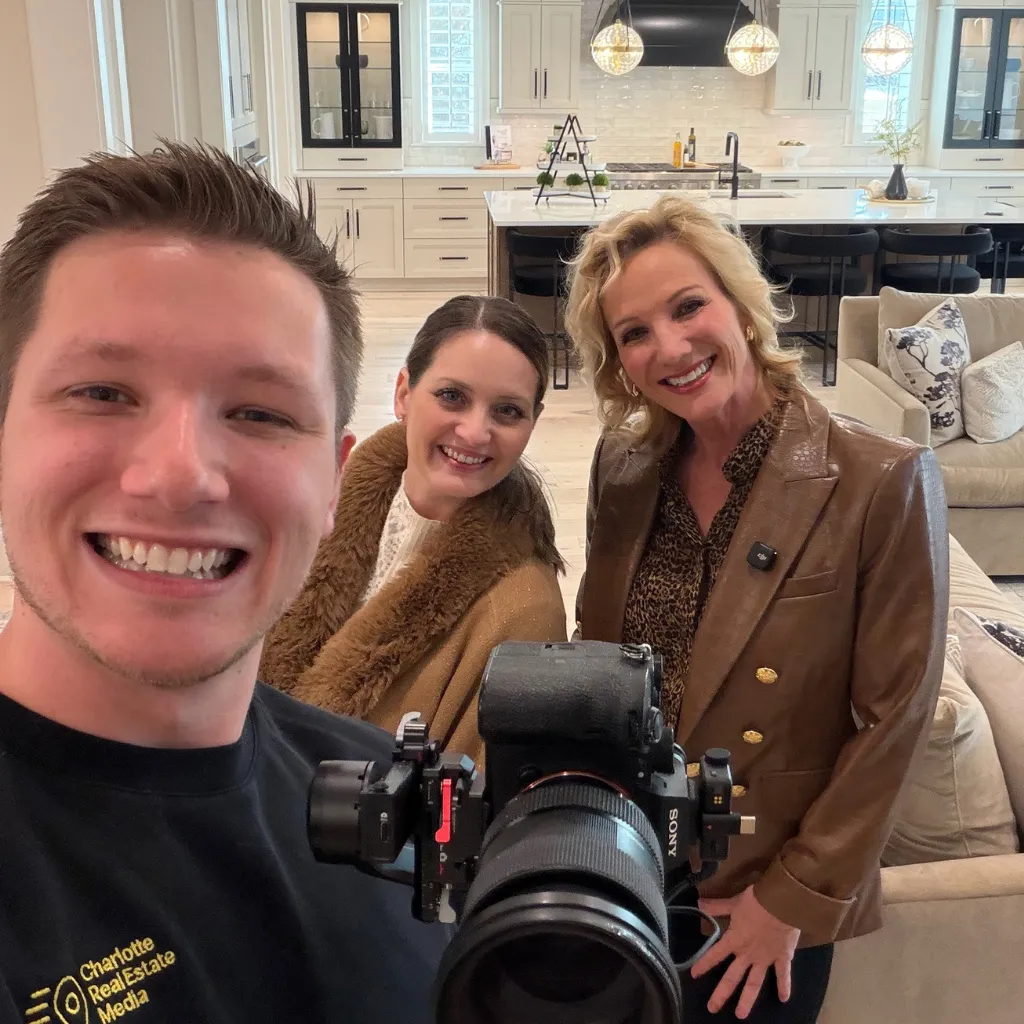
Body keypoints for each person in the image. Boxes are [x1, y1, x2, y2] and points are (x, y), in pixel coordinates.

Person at [0, 142, 450, 1023]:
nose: (180, 476)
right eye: (102, 392)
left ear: (334, 482)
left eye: (259, 412)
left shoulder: (379, 788)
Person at [565, 195, 948, 1024]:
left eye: (688, 306)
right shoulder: (622, 468)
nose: (671, 347)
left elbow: (896, 717)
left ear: (740, 304)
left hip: (757, 901)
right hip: (626, 865)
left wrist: (791, 898)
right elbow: (597, 654)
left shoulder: (879, 480)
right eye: (634, 333)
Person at [259, 295, 568, 764]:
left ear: (533, 423)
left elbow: (476, 796)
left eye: (507, 411)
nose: (474, 432)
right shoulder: (312, 505)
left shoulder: (524, 614)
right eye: (452, 396)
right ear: (403, 393)